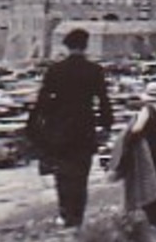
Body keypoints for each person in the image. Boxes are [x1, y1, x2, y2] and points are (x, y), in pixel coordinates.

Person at [26, 28, 115, 230]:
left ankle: (66, 215)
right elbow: (103, 102)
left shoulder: (55, 70)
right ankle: (77, 219)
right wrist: (106, 126)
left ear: (66, 46)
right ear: (85, 46)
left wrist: (33, 128)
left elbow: (42, 103)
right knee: (80, 177)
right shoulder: (94, 71)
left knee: (62, 176)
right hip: (84, 131)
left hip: (59, 132)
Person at [108, 81, 156, 242]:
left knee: (148, 195)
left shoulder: (148, 111)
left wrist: (126, 144)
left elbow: (137, 129)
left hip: (148, 159)